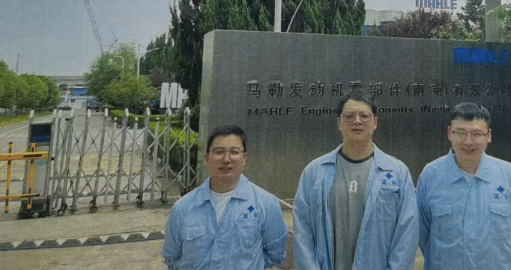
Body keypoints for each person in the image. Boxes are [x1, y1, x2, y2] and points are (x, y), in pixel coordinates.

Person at [293, 90, 418, 270]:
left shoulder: (398, 172)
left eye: (364, 116)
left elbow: (407, 235)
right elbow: (302, 233)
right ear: (339, 123)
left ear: (375, 122)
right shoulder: (314, 172)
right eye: (349, 116)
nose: (357, 121)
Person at [417, 102, 511, 270]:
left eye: (476, 134)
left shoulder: (510, 176)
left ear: (488, 136)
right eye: (460, 133)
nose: (468, 141)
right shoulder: (431, 175)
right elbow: (422, 233)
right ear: (449, 133)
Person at [162, 125, 287, 270]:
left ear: (244, 158)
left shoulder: (266, 204)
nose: (226, 159)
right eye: (219, 152)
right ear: (207, 158)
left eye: (234, 152)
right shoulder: (182, 208)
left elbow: (274, 254)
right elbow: (172, 257)